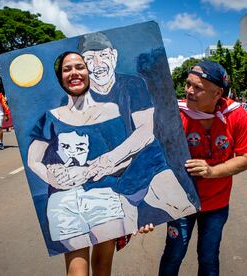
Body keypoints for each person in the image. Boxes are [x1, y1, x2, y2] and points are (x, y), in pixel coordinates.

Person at [28, 52, 154, 276]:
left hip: (104, 195)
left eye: (79, 67)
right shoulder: (50, 117)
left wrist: (137, 210)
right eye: (67, 69)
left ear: (88, 72)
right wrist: (50, 176)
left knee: (103, 267)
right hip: (63, 201)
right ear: (60, 77)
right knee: (76, 270)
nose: (74, 73)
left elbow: (128, 158)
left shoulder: (112, 110)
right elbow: (33, 160)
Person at [79, 32, 196, 220]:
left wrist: (109, 160)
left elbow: (146, 131)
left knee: (180, 206)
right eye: (90, 58)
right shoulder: (75, 99)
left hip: (145, 166)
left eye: (103, 55)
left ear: (114, 56)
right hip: (102, 180)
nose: (98, 64)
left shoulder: (132, 84)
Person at [159, 61, 247, 275]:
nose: (189, 91)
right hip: (181, 202)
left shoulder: (236, 114)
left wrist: (212, 171)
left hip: (217, 204)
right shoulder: (176, 114)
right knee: (173, 255)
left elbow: (246, 158)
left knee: (209, 257)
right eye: (187, 84)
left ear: (217, 93)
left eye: (198, 88)